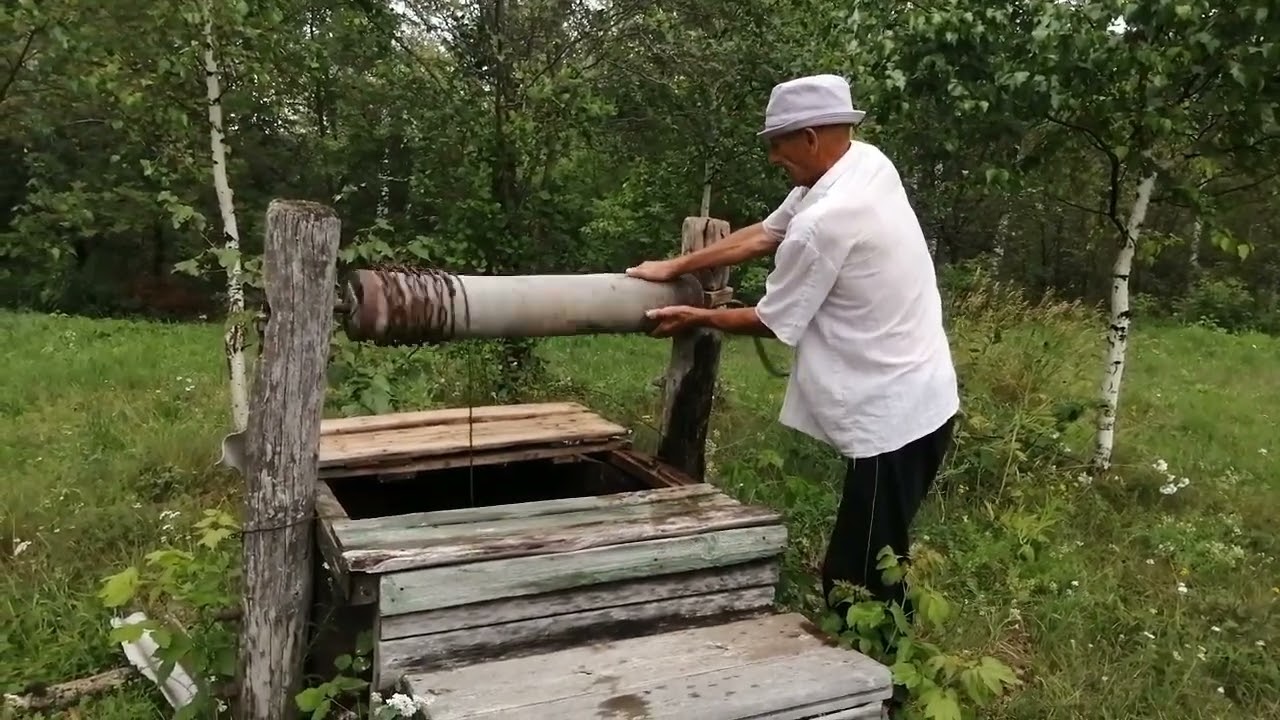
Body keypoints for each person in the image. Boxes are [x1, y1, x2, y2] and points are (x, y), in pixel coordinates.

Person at [625, 74, 959, 616]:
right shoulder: (863, 162)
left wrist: (697, 315)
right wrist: (677, 265)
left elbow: (771, 319)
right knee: (876, 552)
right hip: (917, 384)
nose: (774, 158)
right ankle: (887, 650)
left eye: (778, 146)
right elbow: (766, 232)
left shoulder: (827, 221)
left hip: (896, 413)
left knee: (858, 573)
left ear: (809, 137)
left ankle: (878, 664)